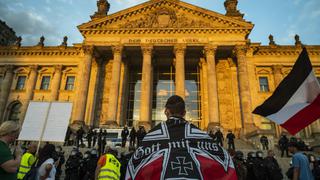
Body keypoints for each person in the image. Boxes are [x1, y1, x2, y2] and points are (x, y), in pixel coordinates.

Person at [125, 95, 237, 179]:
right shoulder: (202, 136)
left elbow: (133, 168)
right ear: (184, 112)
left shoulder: (152, 136)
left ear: (166, 112)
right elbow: (226, 163)